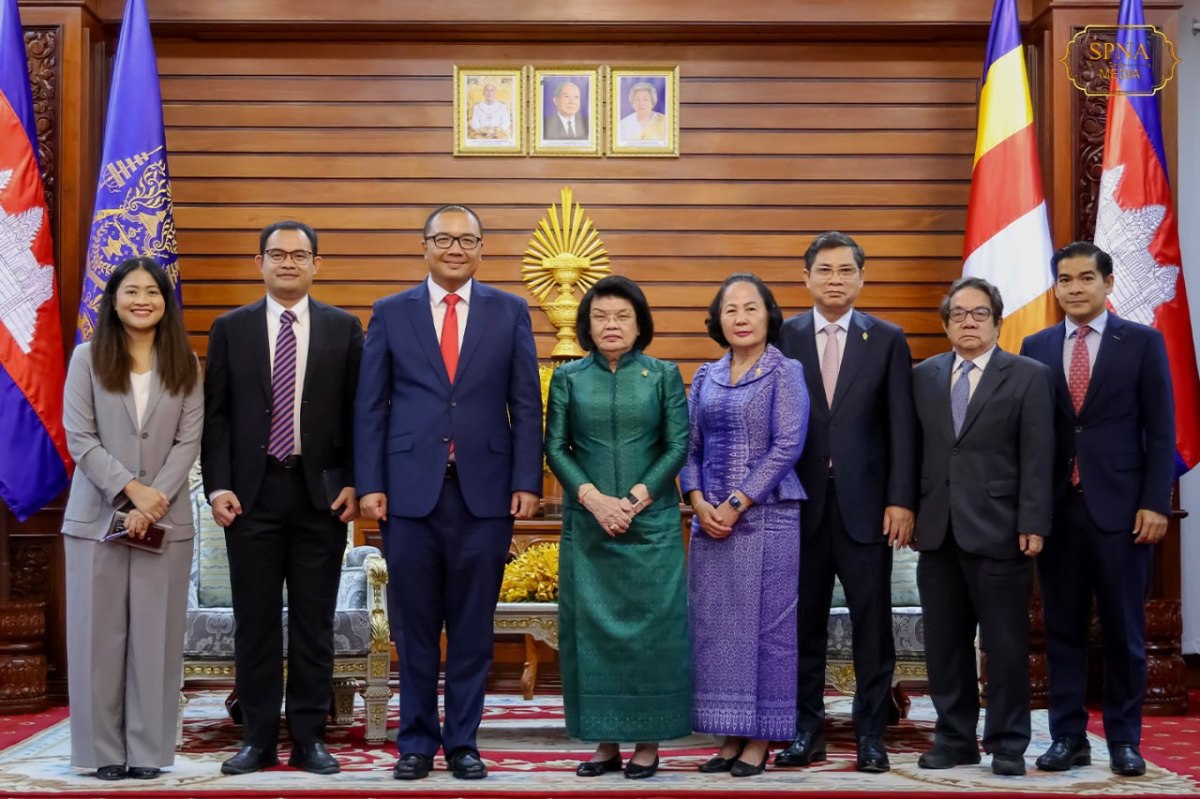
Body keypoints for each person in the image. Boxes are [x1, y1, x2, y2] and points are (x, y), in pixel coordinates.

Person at [355, 204, 543, 781]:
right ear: (425, 245)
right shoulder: (391, 312)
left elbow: (526, 403)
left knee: (471, 628)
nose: (455, 248)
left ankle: (463, 742)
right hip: (408, 494)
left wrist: (527, 480)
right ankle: (415, 743)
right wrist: (371, 484)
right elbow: (371, 406)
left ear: (482, 248)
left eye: (467, 240)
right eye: (444, 239)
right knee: (413, 628)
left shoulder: (509, 311)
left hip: (485, 496)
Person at [201, 221, 364, 776]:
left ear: (317, 263)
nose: (288, 263)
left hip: (322, 494)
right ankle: (258, 738)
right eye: (277, 254)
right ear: (260, 263)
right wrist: (218, 485)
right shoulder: (231, 328)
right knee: (256, 620)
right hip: (251, 495)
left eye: (299, 254)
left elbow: (358, 413)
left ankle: (310, 738)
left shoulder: (344, 328)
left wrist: (354, 480)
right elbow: (216, 416)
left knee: (315, 620)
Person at [1020, 242, 1175, 778]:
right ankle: (1068, 737)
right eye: (1065, 279)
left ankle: (1124, 740)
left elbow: (1161, 430)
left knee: (1123, 630)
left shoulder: (1143, 342)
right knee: (1061, 629)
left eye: (1086, 278)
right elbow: (1032, 434)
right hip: (1059, 512)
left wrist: (1155, 502)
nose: (1075, 288)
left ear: (1108, 283)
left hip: (1123, 511)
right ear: (1056, 287)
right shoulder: (1036, 345)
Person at [775, 231, 917, 774]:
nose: (835, 280)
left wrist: (901, 500)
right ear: (806, 276)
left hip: (868, 508)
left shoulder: (887, 339)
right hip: (799, 505)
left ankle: (871, 735)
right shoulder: (783, 336)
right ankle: (804, 731)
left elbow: (902, 427)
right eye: (825, 270)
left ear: (861, 277)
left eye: (845, 270)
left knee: (871, 627)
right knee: (801, 625)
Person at [62, 257, 203, 781]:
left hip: (164, 522)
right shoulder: (87, 358)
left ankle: (148, 752)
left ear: (166, 302)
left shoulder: (185, 361)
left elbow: (189, 441)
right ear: (114, 300)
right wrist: (132, 492)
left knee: (155, 639)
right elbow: (80, 438)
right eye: (131, 291)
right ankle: (101, 752)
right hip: (96, 519)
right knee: (97, 639)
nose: (142, 300)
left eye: (152, 291)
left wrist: (153, 501)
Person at [545, 275, 691, 780]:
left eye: (622, 316)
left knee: (652, 634)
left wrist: (631, 501)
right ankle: (604, 742)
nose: (611, 325)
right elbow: (555, 446)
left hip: (651, 526)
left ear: (639, 323)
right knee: (593, 633)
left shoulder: (663, 374)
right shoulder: (569, 378)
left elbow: (677, 445)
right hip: (589, 527)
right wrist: (593, 500)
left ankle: (648, 744)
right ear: (586, 326)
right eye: (601, 316)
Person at [911, 277, 1053, 777]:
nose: (968, 322)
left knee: (1005, 644)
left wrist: (1033, 519)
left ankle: (1008, 742)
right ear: (946, 323)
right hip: (937, 530)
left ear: (997, 321)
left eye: (979, 314)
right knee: (945, 644)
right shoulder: (924, 375)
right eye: (958, 314)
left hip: (1001, 529)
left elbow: (1039, 455)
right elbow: (913, 450)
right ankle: (954, 738)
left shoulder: (1029, 376)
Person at [681, 273, 809, 778]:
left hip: (769, 516)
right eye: (730, 309)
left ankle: (760, 739)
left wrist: (736, 502)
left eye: (750, 308)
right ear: (718, 320)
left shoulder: (785, 371)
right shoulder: (705, 376)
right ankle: (729, 734)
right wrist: (697, 501)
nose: (740, 318)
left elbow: (788, 444)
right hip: (709, 521)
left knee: (768, 631)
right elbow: (689, 448)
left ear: (768, 316)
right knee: (717, 631)